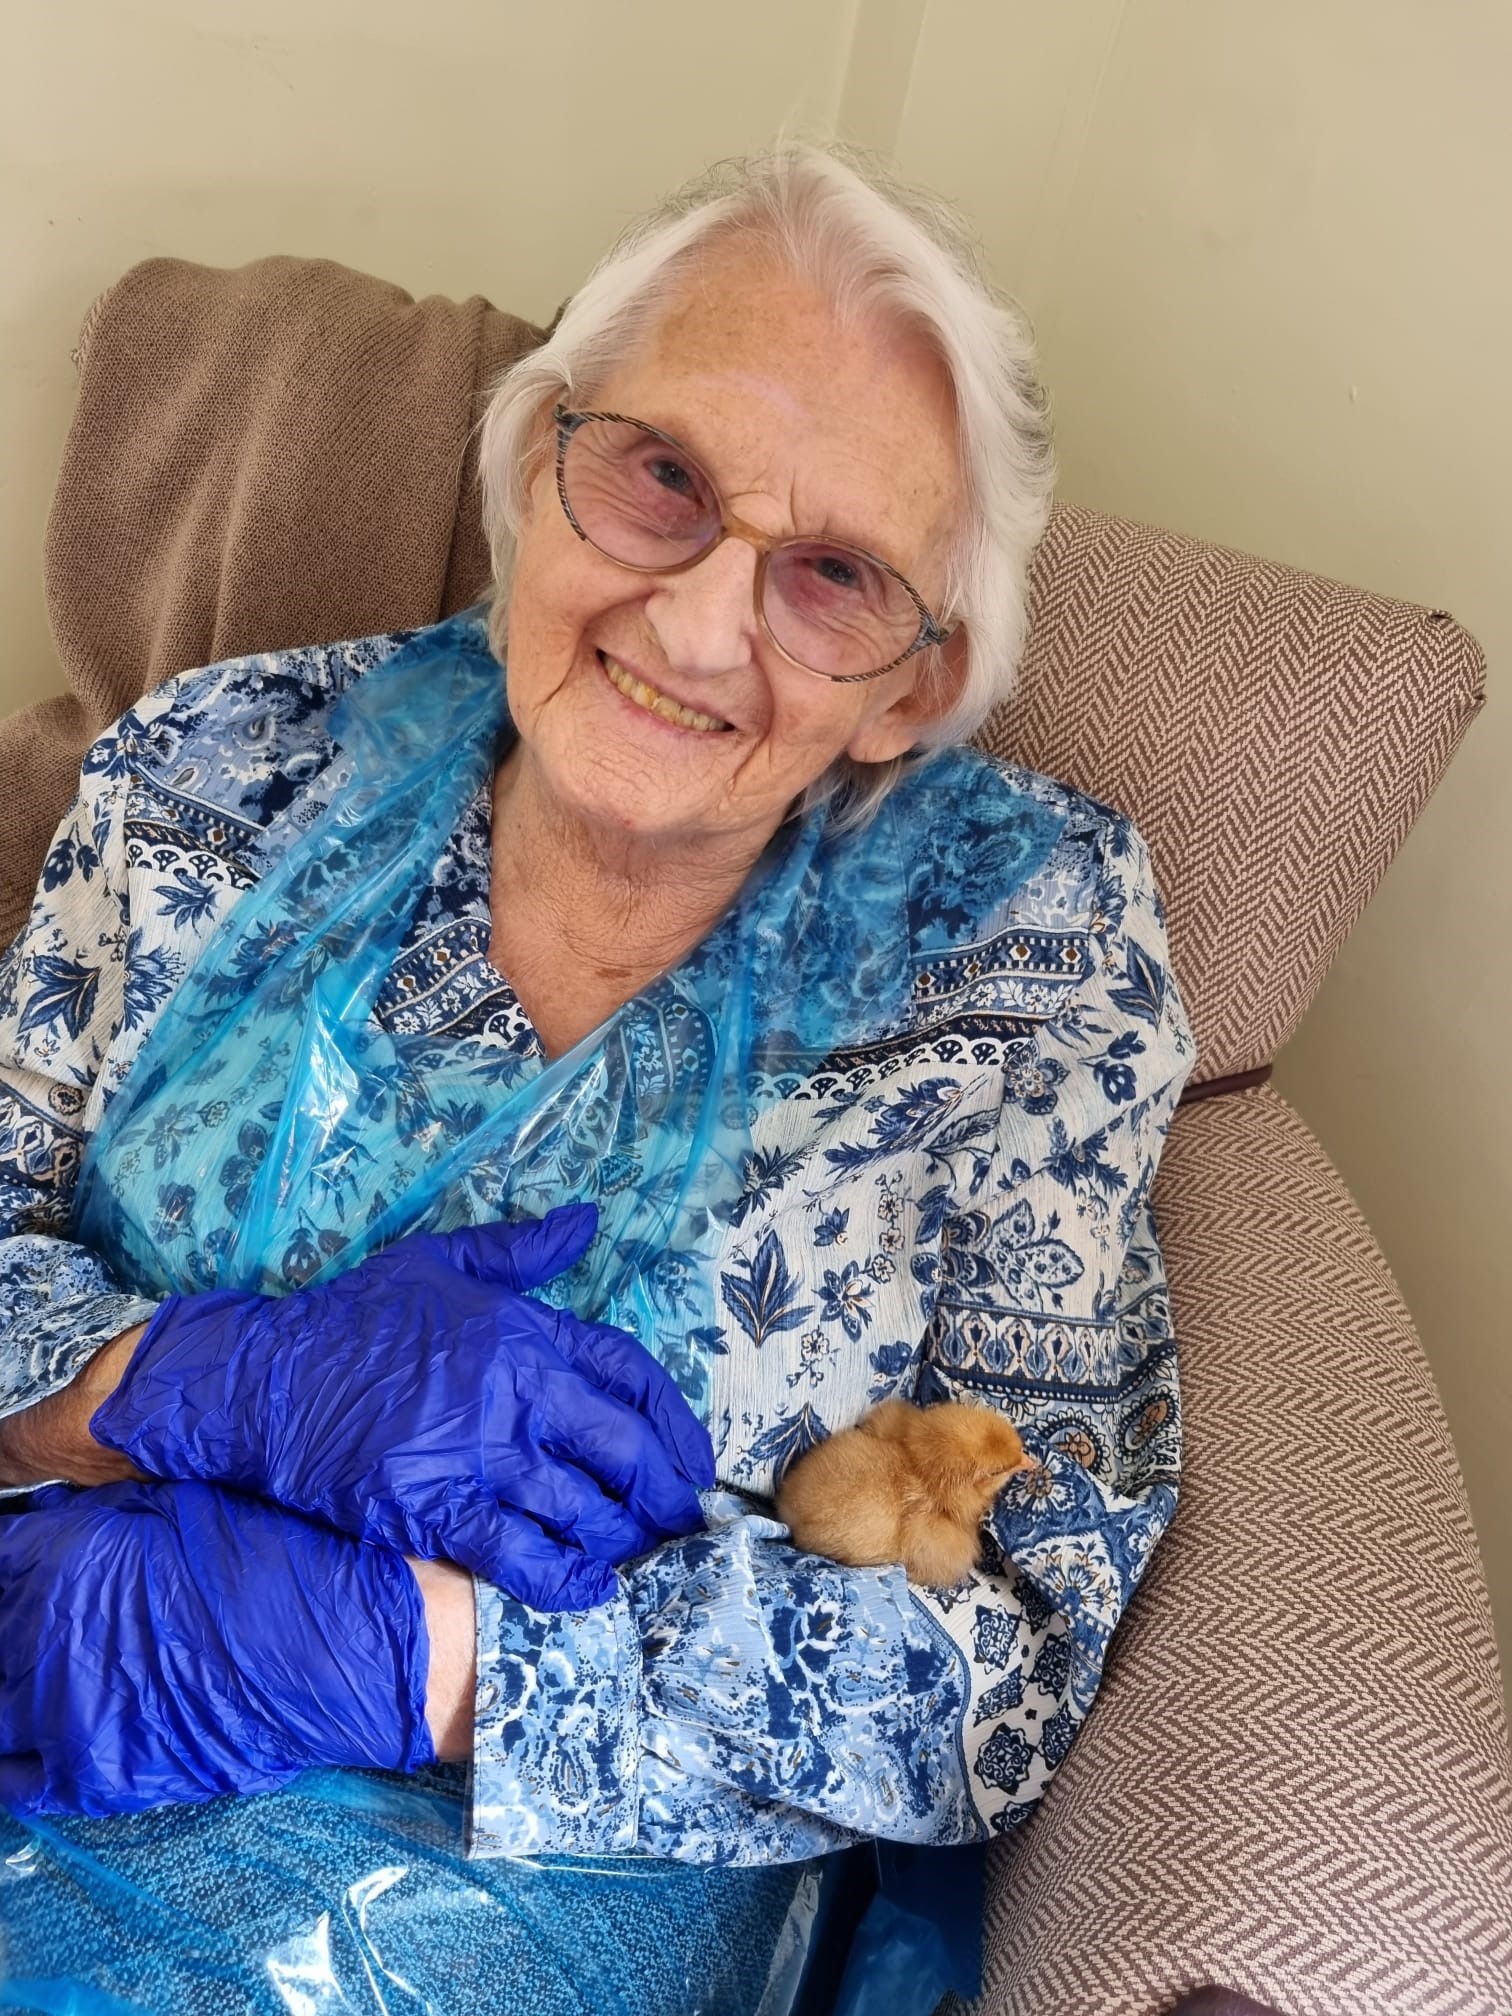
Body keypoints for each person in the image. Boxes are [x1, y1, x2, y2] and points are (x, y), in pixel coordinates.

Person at [0, 145, 1193, 2006]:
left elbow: (1023, 1653)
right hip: (39, 1646)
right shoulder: (215, 774)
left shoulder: (1023, 942)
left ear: (909, 682)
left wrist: (422, 1654)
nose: (701, 623)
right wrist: (182, 1386)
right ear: (537, 459)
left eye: (832, 576)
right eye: (661, 480)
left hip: (544, 1876)